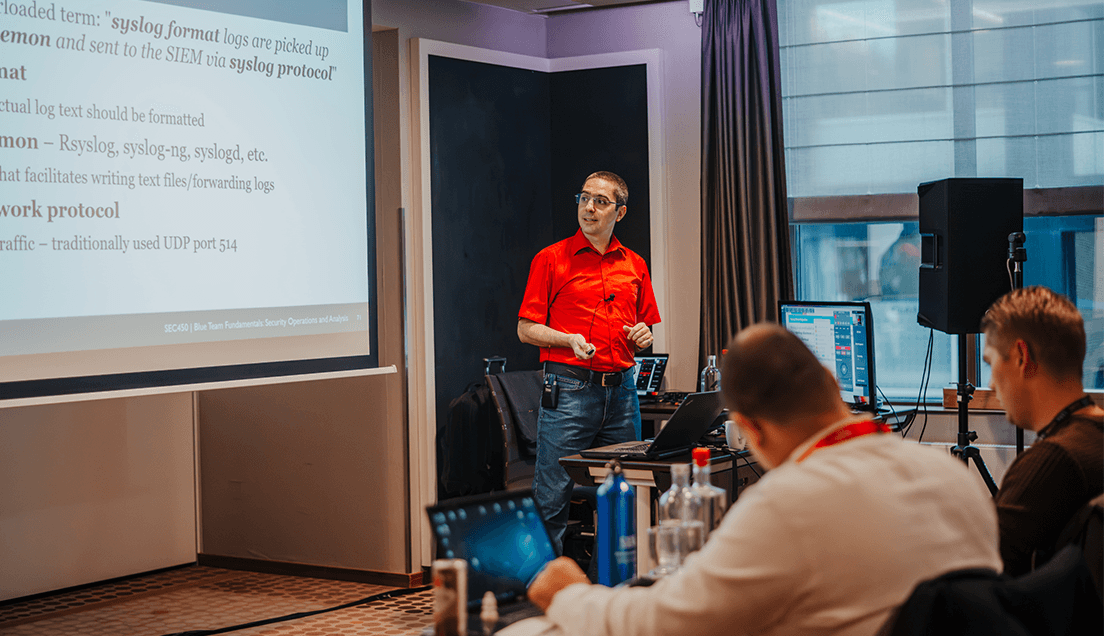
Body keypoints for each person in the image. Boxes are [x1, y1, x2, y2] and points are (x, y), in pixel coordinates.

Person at [522, 323, 1001, 636]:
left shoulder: (788, 504)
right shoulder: (951, 476)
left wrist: (571, 596)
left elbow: (666, 626)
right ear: (833, 384)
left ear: (749, 430)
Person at [518, 170, 660, 555]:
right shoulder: (551, 259)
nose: (589, 208)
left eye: (600, 201)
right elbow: (525, 329)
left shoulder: (635, 264)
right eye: (584, 198)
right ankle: (544, 586)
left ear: (620, 212)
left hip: (622, 392)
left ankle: (610, 584)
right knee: (551, 499)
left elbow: (644, 326)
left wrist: (643, 335)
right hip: (569, 391)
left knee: (626, 499)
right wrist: (567, 339)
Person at [980, 286, 1104, 576]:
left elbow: (981, 569)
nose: (991, 384)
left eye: (991, 362)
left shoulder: (1054, 461)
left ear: (1021, 357)